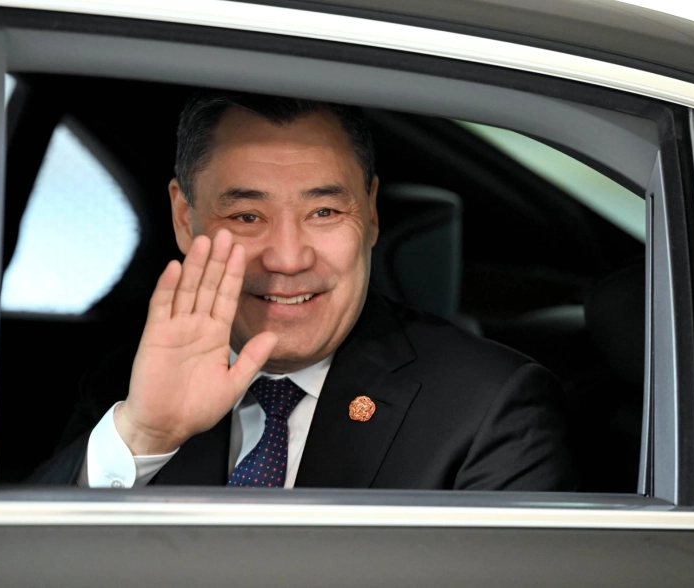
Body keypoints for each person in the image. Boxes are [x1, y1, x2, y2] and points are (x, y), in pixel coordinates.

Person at [30, 91, 574, 491]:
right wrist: (145, 436)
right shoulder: (131, 387)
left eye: (324, 212)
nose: (288, 259)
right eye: (247, 216)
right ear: (183, 218)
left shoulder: (488, 408)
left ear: (371, 213)